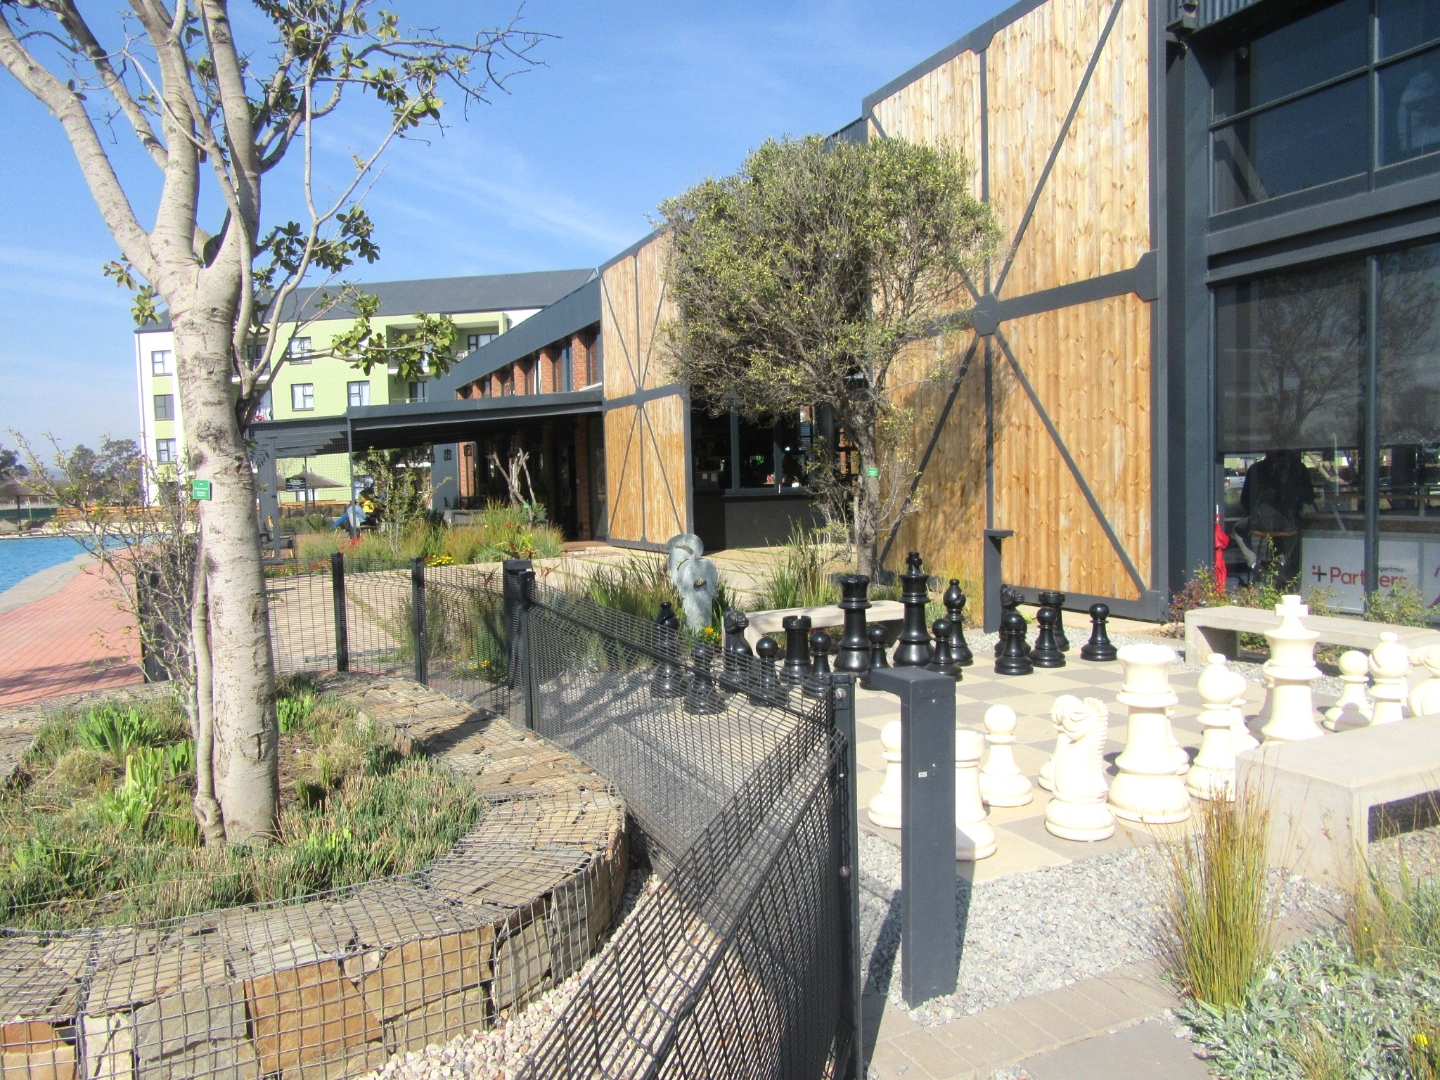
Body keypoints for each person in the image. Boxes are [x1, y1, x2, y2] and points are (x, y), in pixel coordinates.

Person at [1238, 449, 1315, 586]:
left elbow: (1244, 500)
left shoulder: (1255, 469)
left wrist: (1256, 511)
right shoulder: (1298, 468)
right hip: (1288, 524)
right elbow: (1309, 497)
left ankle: (1255, 565)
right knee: (1296, 529)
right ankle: (1280, 564)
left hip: (1259, 523)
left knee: (1237, 529)